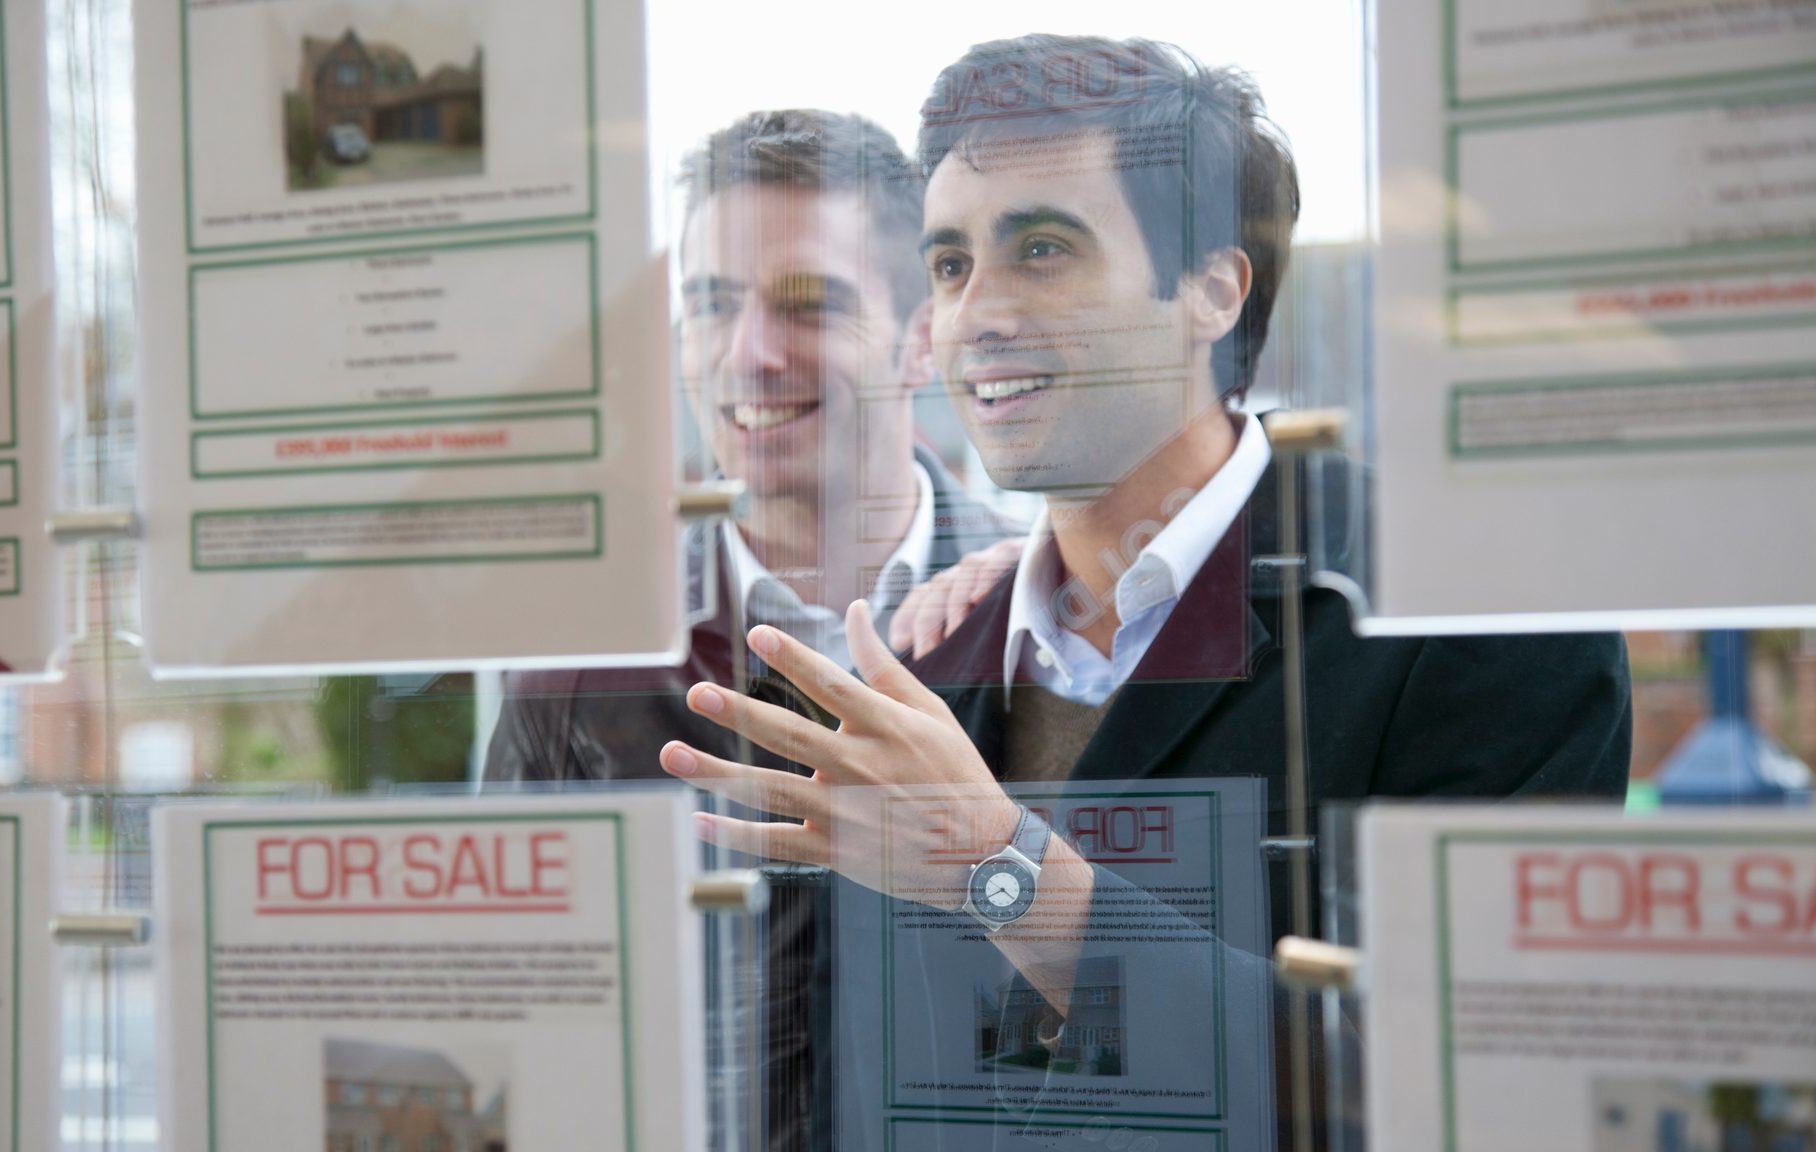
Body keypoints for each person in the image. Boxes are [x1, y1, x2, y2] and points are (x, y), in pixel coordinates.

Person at [656, 35, 1630, 1148]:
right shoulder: (926, 656)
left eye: (1041, 249)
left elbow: (1474, 1093)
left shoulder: (1465, 612)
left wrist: (1001, 871)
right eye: (951, 264)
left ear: (1213, 287)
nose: (974, 313)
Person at [484, 108, 1011, 1151]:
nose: (746, 353)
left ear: (919, 339)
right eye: (712, 304)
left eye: (807, 303)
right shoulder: (583, 659)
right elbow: (521, 1031)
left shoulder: (1044, 619)